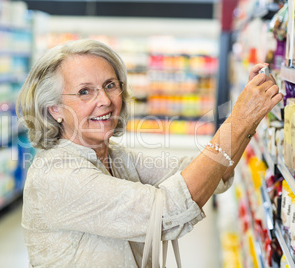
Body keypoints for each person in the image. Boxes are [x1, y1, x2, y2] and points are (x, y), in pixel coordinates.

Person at [16, 39, 282, 267]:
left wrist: (250, 117)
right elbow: (165, 211)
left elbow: (213, 170)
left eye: (110, 85)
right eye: (85, 91)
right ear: (55, 109)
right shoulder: (58, 175)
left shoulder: (113, 157)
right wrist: (238, 121)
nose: (105, 101)